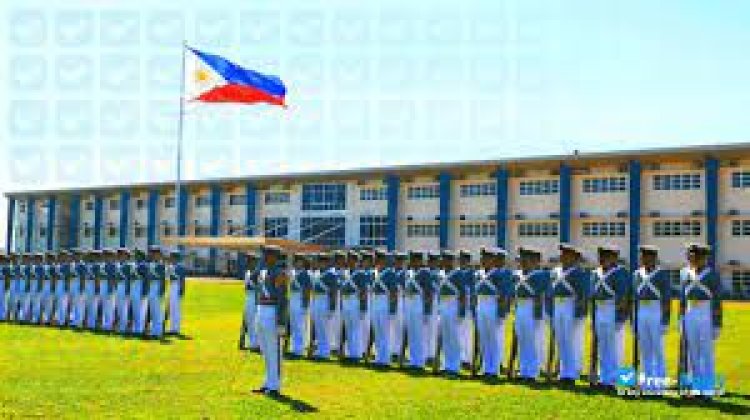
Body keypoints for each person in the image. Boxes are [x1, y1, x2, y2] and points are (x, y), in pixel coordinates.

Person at [680, 243, 723, 398]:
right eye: (690, 256)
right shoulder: (684, 273)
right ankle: (695, 388)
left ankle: (707, 390)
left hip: (706, 312)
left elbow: (717, 300)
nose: (692, 258)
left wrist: (717, 324)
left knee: (706, 353)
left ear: (704, 257)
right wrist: (681, 317)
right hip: (690, 312)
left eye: (696, 256)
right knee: (693, 353)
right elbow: (682, 297)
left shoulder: (712, 275)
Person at [591, 245, 632, 391]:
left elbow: (624, 297)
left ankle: (615, 380)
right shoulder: (596, 273)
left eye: (606, 257)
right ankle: (604, 378)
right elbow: (593, 296)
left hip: (612, 310)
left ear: (614, 258)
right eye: (601, 257)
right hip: (600, 309)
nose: (602, 260)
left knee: (615, 347)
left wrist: (619, 317)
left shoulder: (620, 273)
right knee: (603, 347)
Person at [549, 244, 590, 385]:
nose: (562, 256)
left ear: (574, 257)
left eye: (566, 254)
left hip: (570, 306)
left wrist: (579, 314)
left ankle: (570, 373)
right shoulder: (555, 271)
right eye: (562, 254)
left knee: (571, 340)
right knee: (561, 340)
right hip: (558, 306)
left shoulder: (579, 273)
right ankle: (563, 371)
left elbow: (583, 295)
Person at [252, 244, 289, 397]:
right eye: (263, 255)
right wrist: (260, 264)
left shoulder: (280, 273)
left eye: (267, 254)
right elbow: (254, 279)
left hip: (273, 311)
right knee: (265, 350)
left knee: (274, 350)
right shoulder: (262, 271)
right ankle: (267, 382)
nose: (264, 257)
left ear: (274, 256)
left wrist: (281, 322)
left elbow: (282, 299)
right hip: (261, 309)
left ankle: (275, 385)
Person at [633, 245, 671, 392]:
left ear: (653, 258)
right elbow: (634, 298)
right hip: (642, 310)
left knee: (657, 349)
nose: (642, 259)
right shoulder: (637, 274)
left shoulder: (661, 274)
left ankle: (659, 384)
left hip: (656, 310)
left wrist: (665, 321)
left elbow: (667, 299)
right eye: (641, 256)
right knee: (645, 349)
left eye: (646, 256)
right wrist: (634, 320)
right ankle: (647, 382)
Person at [476, 247, 514, 379]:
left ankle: (494, 369)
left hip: (493, 305)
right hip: (481, 305)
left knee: (494, 339)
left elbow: (505, 294)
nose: (482, 260)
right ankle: (487, 367)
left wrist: (502, 312)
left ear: (492, 260)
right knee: (484, 339)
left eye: (485, 258)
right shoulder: (480, 274)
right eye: (482, 258)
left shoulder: (500, 274)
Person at [513, 247, 550, 381]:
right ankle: (524, 369)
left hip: (532, 306)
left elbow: (540, 295)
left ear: (534, 261)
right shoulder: (518, 274)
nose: (522, 262)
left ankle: (532, 371)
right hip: (520, 307)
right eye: (521, 259)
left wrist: (538, 314)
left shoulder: (540, 274)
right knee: (523, 339)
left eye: (525, 259)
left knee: (533, 340)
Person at [437, 250, 464, 378]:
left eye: (445, 259)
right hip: (443, 304)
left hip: (453, 304)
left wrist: (461, 312)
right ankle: (446, 365)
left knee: (454, 337)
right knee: (446, 337)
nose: (442, 261)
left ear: (451, 261)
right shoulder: (441, 274)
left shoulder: (458, 274)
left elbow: (463, 294)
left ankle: (454, 367)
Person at [289, 253, 312, 358]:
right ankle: (294, 347)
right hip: (293, 299)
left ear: (303, 263)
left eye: (299, 261)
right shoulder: (293, 273)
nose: (297, 263)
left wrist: (305, 305)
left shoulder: (305, 275)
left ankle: (300, 349)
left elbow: (307, 291)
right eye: (296, 261)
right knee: (294, 325)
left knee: (300, 325)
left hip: (300, 300)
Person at [391, 252, 408, 362]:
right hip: (392, 301)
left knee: (399, 328)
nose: (399, 263)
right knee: (392, 327)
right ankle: (393, 351)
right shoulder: (392, 273)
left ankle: (398, 352)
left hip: (401, 301)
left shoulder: (404, 274)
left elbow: (405, 289)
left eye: (401, 261)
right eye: (397, 260)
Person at [242, 252, 260, 350]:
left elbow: (259, 288)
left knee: (254, 320)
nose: (248, 263)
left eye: (251, 261)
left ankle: (256, 343)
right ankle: (251, 341)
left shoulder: (257, 273)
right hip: (248, 297)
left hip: (254, 298)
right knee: (249, 320)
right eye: (248, 261)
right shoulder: (247, 273)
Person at [166, 249, 186, 336]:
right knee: (171, 307)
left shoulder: (179, 266)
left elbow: (181, 279)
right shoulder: (171, 266)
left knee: (176, 309)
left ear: (175, 257)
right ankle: (172, 328)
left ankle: (176, 328)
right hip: (172, 286)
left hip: (177, 286)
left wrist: (181, 289)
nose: (170, 258)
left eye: (171, 256)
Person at [116, 248, 133, 334]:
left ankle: (123, 327)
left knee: (124, 308)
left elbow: (130, 279)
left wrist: (128, 289)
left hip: (125, 286)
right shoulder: (118, 265)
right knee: (119, 307)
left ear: (126, 256)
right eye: (119, 254)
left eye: (122, 254)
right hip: (118, 286)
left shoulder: (129, 265)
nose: (119, 256)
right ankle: (120, 326)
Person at [101, 249, 118, 332]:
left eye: (107, 255)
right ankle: (105, 325)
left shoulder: (113, 265)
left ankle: (109, 326)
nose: (104, 257)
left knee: (110, 308)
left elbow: (113, 279)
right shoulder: (105, 265)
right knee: (105, 307)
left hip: (110, 288)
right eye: (104, 255)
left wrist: (111, 290)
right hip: (104, 287)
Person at [0, 254, 8, 321]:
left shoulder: (5, 267)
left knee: (3, 300)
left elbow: (6, 277)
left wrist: (6, 285)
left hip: (2, 282)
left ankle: (3, 317)